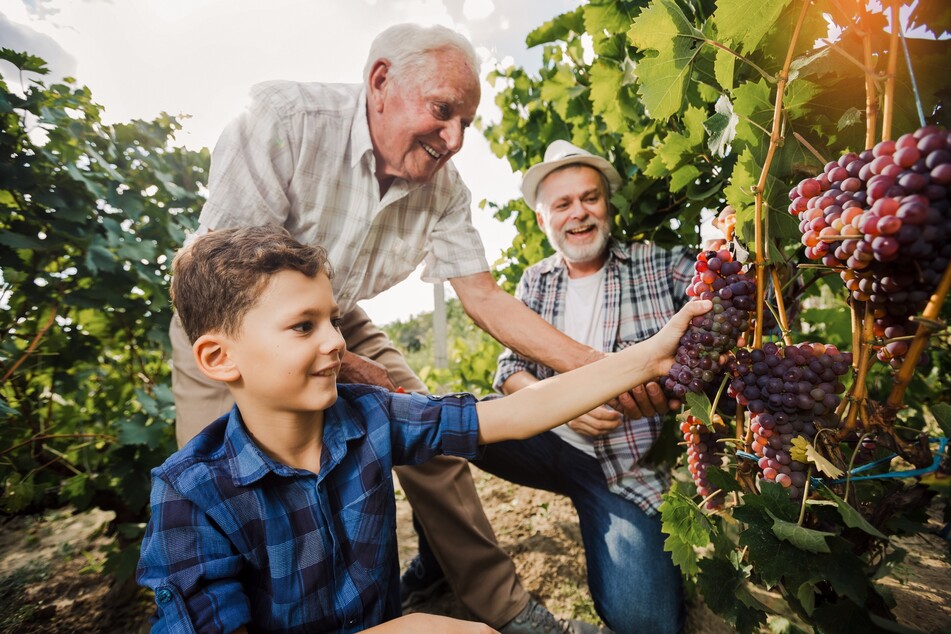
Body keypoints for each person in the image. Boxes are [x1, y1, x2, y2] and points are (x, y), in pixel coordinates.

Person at [168, 23, 666, 633]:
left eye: (466, 124)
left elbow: (483, 297)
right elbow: (232, 281)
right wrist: (346, 364)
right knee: (232, 484)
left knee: (434, 441)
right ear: (380, 82)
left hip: (338, 314)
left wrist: (600, 370)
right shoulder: (285, 119)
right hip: (231, 321)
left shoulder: (445, 192)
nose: (454, 138)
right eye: (442, 110)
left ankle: (505, 609)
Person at [138, 226, 710, 633]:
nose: (337, 341)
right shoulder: (189, 494)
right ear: (218, 358)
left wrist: (649, 357)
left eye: (333, 320)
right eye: (302, 326)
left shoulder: (369, 417)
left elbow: (506, 416)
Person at [414, 140, 696, 633]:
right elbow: (508, 372)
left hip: (619, 469)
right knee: (429, 427)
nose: (579, 213)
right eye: (562, 204)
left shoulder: (660, 266)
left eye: (589, 198)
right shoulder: (536, 280)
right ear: (544, 221)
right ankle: (437, 561)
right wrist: (565, 407)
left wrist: (728, 239)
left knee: (646, 622)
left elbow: (716, 285)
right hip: (540, 442)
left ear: (607, 206)